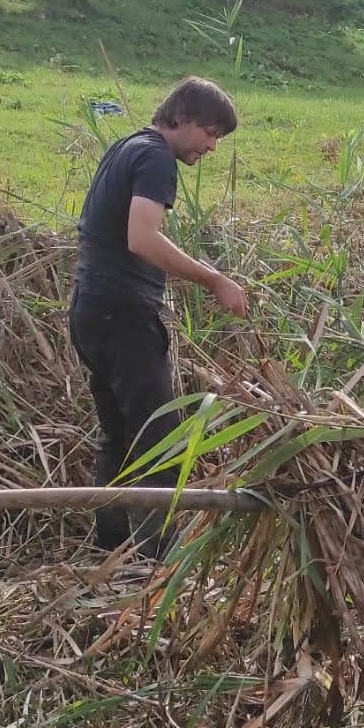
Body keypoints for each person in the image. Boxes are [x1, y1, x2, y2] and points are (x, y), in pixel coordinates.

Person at [70, 77, 249, 553]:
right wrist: (215, 279)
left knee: (118, 436)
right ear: (183, 118)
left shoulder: (125, 147)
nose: (212, 146)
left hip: (90, 311)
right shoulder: (154, 157)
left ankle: (109, 549)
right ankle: (156, 563)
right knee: (158, 441)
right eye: (210, 132)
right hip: (123, 316)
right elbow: (142, 238)